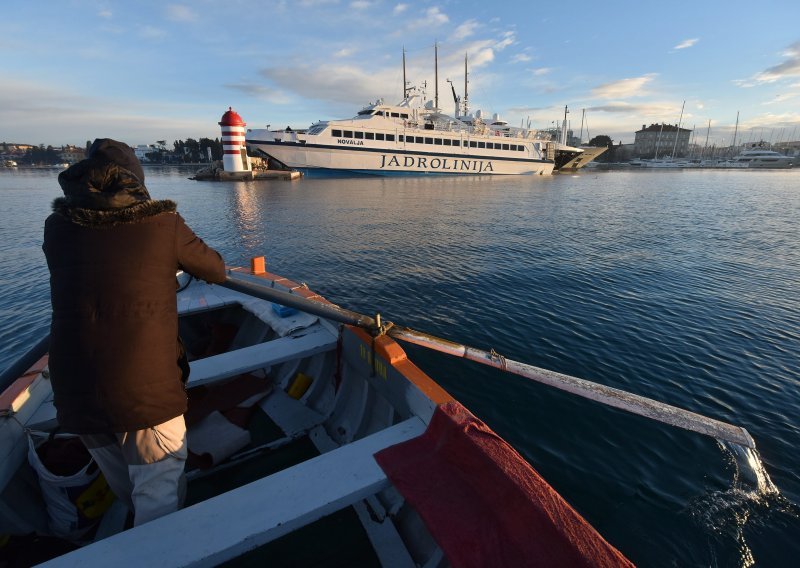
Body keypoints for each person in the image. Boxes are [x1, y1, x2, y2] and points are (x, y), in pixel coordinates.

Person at [42, 138, 226, 526]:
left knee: (125, 485)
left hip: (74, 391)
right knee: (159, 500)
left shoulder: (56, 227)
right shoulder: (163, 223)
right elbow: (215, 269)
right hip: (144, 394)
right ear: (136, 181)